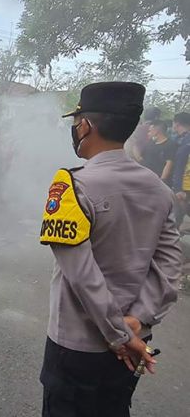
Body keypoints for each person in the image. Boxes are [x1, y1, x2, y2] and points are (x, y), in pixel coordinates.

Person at [39, 82, 182, 417]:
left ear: (86, 125)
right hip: (134, 341)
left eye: (76, 122)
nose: (75, 130)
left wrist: (118, 335)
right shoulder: (159, 190)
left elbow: (82, 277)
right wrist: (136, 322)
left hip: (78, 347)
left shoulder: (73, 185)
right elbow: (170, 267)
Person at [140, 120, 176, 184]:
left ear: (156, 131)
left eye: (150, 131)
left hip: (158, 180)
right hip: (146, 179)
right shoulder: (150, 143)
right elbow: (142, 158)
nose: (148, 133)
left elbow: (169, 164)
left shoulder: (170, 144)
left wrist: (162, 180)